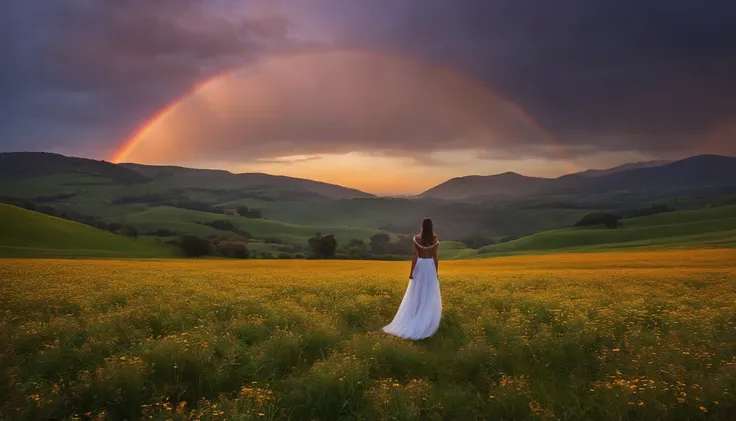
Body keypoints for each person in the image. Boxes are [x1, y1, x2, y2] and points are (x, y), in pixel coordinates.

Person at [382, 217, 442, 339]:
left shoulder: (416, 238)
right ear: (431, 227)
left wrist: (412, 272)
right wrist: (436, 272)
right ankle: (426, 319)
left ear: (422, 226)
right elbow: (435, 257)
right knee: (429, 293)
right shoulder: (435, 239)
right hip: (429, 266)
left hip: (420, 265)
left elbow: (415, 256)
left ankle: (415, 315)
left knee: (417, 292)